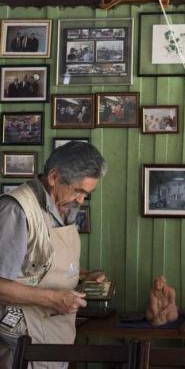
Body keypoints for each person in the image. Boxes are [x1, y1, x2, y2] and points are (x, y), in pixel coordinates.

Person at [0, 141, 107, 369]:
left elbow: (37, 263)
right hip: (24, 337)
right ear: (54, 177)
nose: (81, 200)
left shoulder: (63, 205)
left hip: (56, 334)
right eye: (78, 191)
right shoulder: (16, 211)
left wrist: (82, 276)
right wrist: (54, 299)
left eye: (87, 193)